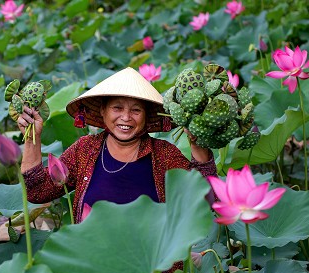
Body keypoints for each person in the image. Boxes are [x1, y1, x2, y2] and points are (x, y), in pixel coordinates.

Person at [17, 67, 217, 224]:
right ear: (103, 111)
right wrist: (32, 138)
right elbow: (38, 191)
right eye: (117, 108)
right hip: (93, 257)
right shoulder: (85, 149)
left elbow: (204, 200)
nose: (126, 117)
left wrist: (197, 142)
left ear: (147, 116)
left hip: (151, 260)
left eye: (136, 110)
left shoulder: (163, 154)